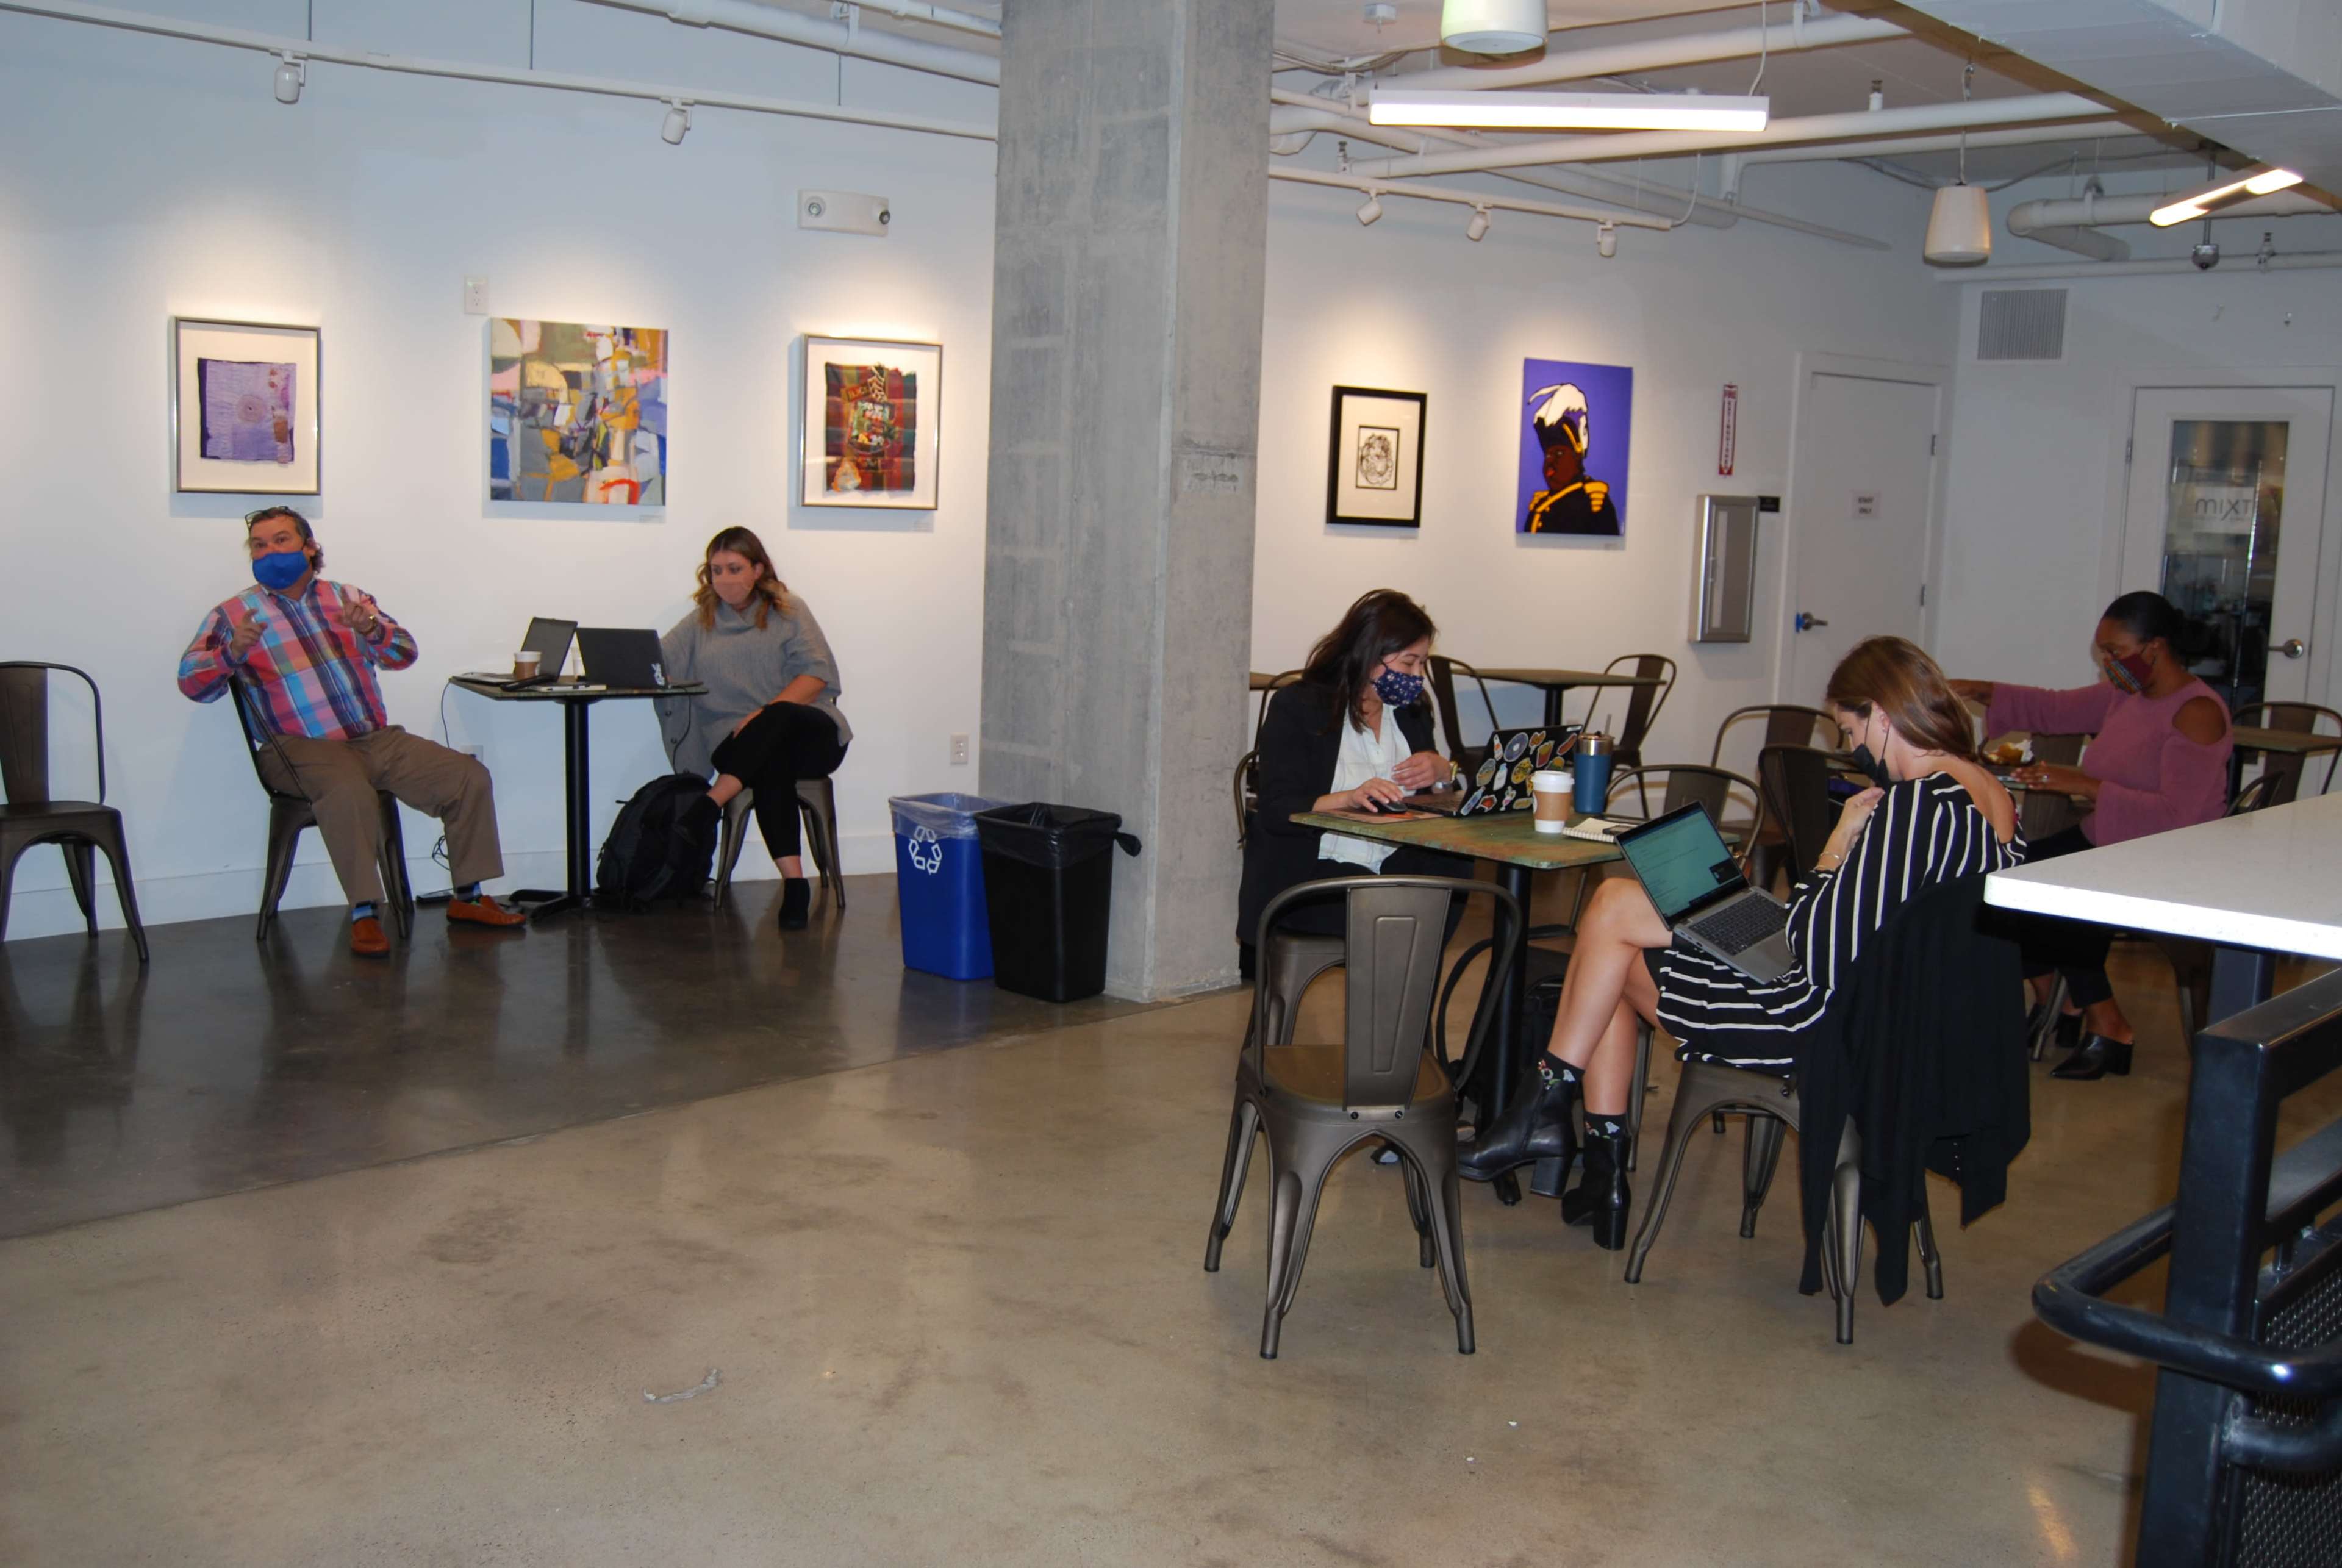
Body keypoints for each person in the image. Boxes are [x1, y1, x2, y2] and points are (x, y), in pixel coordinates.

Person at [1459, 636, 2022, 1248]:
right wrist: (1760, 909)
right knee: (1615, 932)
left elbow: (1817, 949)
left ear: (1882, 717)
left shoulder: (1916, 806)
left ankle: (1563, 1126)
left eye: (1848, 730)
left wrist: (1835, 848)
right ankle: (1582, 1155)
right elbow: (1868, 928)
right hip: (1897, 1021)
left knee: (1610, 924)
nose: (1849, 748)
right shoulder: (1990, 797)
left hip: (1821, 1028)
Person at [177, 507, 526, 957]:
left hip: (375, 739)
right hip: (297, 748)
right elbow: (192, 684)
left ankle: (468, 897)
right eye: (260, 545)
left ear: (310, 548)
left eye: (281, 540)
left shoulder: (347, 597)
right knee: (348, 789)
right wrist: (230, 652)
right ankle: (364, 912)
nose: (269, 552)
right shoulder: (233, 614)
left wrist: (373, 629)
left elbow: (404, 653)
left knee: (466, 776)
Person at [1949, 590, 2233, 1081]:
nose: (2107, 663)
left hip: (2170, 856)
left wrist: (2082, 783)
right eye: (2103, 652)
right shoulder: (2126, 697)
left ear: (2155, 648)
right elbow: (2053, 709)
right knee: (1998, 882)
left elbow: (2178, 816)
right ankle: (2057, 1000)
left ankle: (2111, 1023)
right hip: (2109, 841)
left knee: (2061, 902)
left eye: (2114, 651)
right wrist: (1980, 690)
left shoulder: (2198, 712)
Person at [1237, 590, 1469, 956]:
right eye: (1409, 664)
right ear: (1368, 653)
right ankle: (1398, 998)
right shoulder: (1299, 706)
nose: (1418, 676)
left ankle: (1407, 999)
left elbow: (1436, 802)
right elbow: (1276, 810)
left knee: (1453, 868)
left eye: (1423, 664)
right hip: (1316, 871)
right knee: (1400, 908)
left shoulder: (1411, 711)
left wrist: (1444, 771)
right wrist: (1349, 799)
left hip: (1393, 861)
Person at [657, 527, 850, 931]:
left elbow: (818, 675)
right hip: (736, 743)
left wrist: (765, 712)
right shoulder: (702, 621)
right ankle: (796, 884)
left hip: (807, 729)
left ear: (758, 568)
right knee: (770, 762)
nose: (724, 579)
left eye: (734, 568)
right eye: (715, 570)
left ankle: (710, 803)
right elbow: (658, 661)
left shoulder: (788, 610)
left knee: (775, 721)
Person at [1521, 382, 1618, 537]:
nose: (1550, 462)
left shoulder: (1594, 501)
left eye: (1559, 454)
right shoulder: (1541, 504)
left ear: (1577, 454)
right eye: (1548, 455)